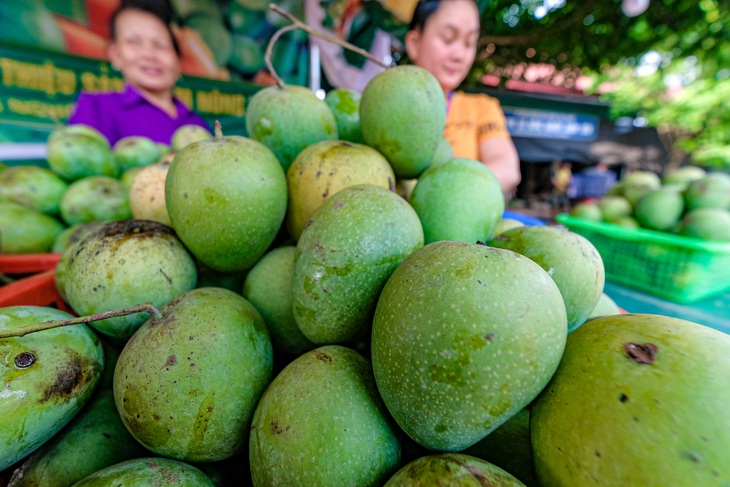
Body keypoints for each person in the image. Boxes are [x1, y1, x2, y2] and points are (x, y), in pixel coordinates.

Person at [405, 0, 521, 195]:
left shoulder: (482, 108)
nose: (460, 55)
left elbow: (508, 168)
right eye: (448, 38)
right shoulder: (388, 107)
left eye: (469, 43)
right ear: (414, 43)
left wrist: (448, 191)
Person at [68, 0, 210, 146]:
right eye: (134, 42)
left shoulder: (197, 123)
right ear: (115, 54)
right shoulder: (95, 107)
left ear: (177, 59)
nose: (149, 54)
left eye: (160, 45)